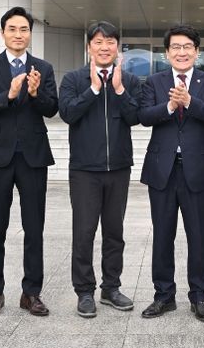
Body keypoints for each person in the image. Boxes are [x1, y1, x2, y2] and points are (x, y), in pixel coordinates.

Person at [0, 6, 58, 318]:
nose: (18, 34)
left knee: (34, 228)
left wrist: (35, 93)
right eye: (12, 29)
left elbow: (52, 109)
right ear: (3, 33)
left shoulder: (43, 68)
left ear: (30, 34)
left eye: (24, 29)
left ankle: (31, 293)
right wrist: (7, 95)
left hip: (33, 157)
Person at [138, 25, 204, 322]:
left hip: (197, 169)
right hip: (162, 170)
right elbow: (144, 116)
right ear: (167, 53)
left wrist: (189, 102)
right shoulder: (154, 81)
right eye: (176, 47)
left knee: (198, 235)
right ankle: (163, 295)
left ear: (197, 52)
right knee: (162, 235)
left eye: (188, 47)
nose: (182, 52)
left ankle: (200, 296)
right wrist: (170, 105)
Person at [58, 21, 141, 318]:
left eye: (110, 42)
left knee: (115, 232)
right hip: (84, 170)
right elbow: (67, 113)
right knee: (84, 232)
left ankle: (111, 288)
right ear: (89, 47)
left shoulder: (129, 80)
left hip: (118, 167)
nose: (104, 47)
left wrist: (118, 89)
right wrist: (94, 88)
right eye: (98, 42)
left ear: (117, 47)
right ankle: (84, 291)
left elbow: (136, 117)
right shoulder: (73, 79)